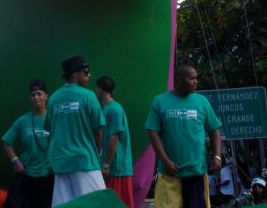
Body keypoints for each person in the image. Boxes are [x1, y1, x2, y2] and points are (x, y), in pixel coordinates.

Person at [145, 64, 222, 208]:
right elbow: (153, 132)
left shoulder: (202, 101)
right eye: (191, 78)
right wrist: (165, 160)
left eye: (196, 78)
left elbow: (214, 129)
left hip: (195, 172)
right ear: (179, 80)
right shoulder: (160, 101)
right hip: (169, 173)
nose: (195, 81)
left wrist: (217, 156)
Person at [45, 54, 105, 206]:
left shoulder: (52, 99)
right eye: (86, 71)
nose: (89, 74)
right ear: (73, 74)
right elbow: (98, 128)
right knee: (97, 202)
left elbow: (49, 129)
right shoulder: (89, 96)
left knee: (65, 205)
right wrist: (98, 149)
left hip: (59, 161)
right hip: (83, 160)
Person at [2, 78, 54, 208]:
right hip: (26, 176)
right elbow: (7, 142)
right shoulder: (22, 121)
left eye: (39, 94)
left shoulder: (54, 120)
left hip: (48, 176)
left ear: (46, 96)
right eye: (33, 95)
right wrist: (15, 160)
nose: (36, 97)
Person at [95, 75, 134, 208]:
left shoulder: (114, 109)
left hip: (117, 169)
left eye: (96, 89)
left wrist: (106, 164)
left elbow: (114, 138)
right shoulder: (107, 109)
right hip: (111, 168)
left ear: (99, 90)